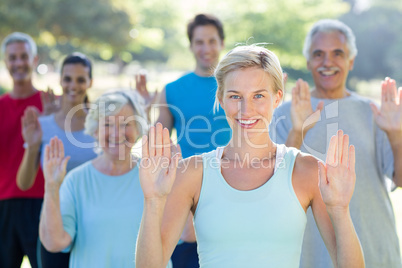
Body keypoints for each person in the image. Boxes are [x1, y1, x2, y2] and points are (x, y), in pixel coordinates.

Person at [136, 45, 365, 268]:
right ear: (221, 98)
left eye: (258, 96)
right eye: (235, 96)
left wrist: (340, 210)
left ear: (277, 98)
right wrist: (152, 200)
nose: (246, 110)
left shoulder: (306, 171)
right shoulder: (192, 173)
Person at [270, 19, 402, 267]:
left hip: (374, 247)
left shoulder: (375, 113)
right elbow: (274, 186)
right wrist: (299, 130)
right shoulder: (284, 113)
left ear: (351, 61)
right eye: (318, 54)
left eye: (337, 54)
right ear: (308, 61)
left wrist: (396, 134)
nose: (327, 62)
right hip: (309, 254)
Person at [137, 14, 231, 267]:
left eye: (212, 41)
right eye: (199, 42)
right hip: (186, 192)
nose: (206, 48)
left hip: (231, 187)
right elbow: (159, 138)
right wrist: (145, 111)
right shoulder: (172, 89)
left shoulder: (235, 87)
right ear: (191, 45)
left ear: (222, 43)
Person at [38, 90, 163, 267]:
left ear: (138, 129)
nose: (116, 133)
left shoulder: (156, 176)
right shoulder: (75, 180)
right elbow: (54, 242)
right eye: (108, 124)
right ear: (95, 131)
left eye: (126, 123)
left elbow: (184, 235)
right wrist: (51, 187)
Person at [17, 52, 97, 268]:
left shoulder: (101, 124)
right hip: (55, 220)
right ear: (60, 80)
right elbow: (24, 183)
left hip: (94, 221)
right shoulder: (44, 125)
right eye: (68, 78)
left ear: (90, 82)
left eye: (81, 79)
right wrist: (32, 146)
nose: (73, 85)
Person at [0, 32, 45, 268]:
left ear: (34, 59)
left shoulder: (51, 105)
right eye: (13, 57)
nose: (19, 63)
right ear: (6, 62)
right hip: (3, 206)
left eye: (24, 56)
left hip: (43, 204)